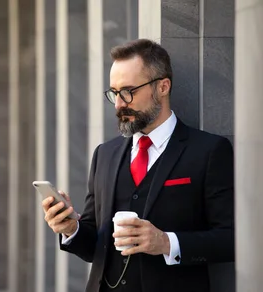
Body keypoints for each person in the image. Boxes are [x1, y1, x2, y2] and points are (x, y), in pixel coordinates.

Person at [41, 39, 234, 292]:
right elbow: (95, 249)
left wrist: (166, 242)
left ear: (163, 87)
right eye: (114, 92)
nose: (120, 104)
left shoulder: (208, 151)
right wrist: (71, 229)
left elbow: (230, 239)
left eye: (128, 91)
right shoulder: (104, 155)